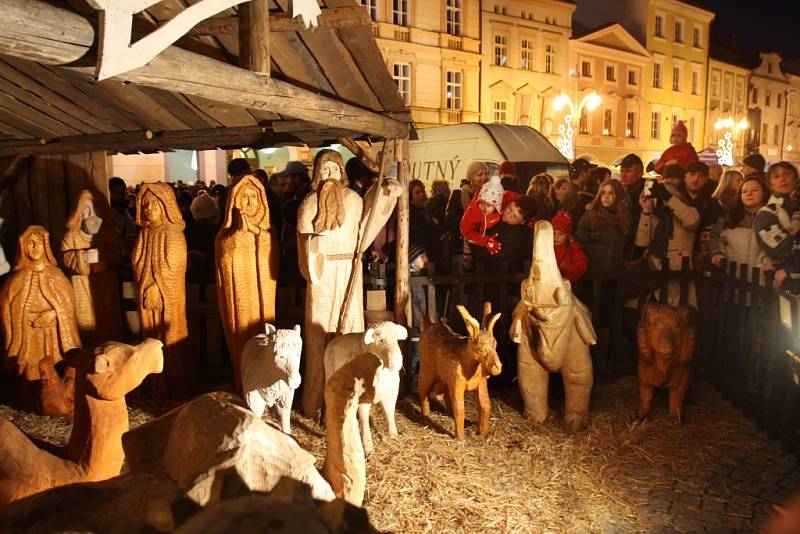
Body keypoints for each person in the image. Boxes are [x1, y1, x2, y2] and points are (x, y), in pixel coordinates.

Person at [296, 149, 402, 418]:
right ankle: (318, 400)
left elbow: (368, 223)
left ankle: (352, 396)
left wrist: (385, 195)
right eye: (324, 171)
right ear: (317, 175)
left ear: (342, 173)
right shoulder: (310, 203)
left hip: (348, 272)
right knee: (320, 332)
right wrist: (313, 246)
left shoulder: (353, 201)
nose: (329, 176)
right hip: (321, 276)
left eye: (334, 170)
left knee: (350, 333)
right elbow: (302, 242)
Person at [132, 183, 194, 394]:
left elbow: (174, 266)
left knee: (170, 332)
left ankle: (173, 379)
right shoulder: (144, 234)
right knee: (150, 333)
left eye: (153, 203)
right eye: (145, 204)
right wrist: (146, 284)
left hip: (168, 295)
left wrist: (157, 287)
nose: (148, 208)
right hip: (147, 293)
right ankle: (155, 381)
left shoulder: (173, 233)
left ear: (165, 205)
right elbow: (137, 261)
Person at [636, 164, 700, 306]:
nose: (669, 182)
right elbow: (642, 242)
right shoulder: (657, 213)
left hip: (677, 273)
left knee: (676, 318)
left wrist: (668, 197)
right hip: (655, 270)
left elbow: (692, 220)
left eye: (674, 178)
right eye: (667, 178)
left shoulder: (686, 209)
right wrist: (646, 212)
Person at [708, 174, 771, 280]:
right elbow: (714, 237)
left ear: (764, 193)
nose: (749, 194)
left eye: (754, 190)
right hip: (734, 277)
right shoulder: (728, 219)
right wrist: (717, 253)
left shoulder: (772, 218)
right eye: (744, 191)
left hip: (763, 278)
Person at [754, 161, 800, 287]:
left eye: (787, 174)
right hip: (776, 280)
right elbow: (779, 248)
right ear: (771, 185)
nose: (782, 179)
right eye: (776, 176)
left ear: (796, 179)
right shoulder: (767, 213)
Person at [575, 180, 630, 273]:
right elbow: (580, 242)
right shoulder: (591, 215)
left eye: (611, 193)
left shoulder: (624, 217)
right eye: (603, 193)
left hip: (614, 271)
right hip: (592, 270)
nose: (606, 196)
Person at [445, 161, 490, 267]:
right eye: (480, 174)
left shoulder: (489, 195)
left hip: (482, 248)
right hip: (463, 248)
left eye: (486, 173)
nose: (484, 177)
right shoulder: (460, 195)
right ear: (471, 178)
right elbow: (452, 221)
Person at [684, 161, 722, 268]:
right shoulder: (676, 198)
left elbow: (714, 230)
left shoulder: (712, 204)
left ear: (706, 179)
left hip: (701, 255)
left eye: (701, 176)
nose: (696, 179)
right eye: (692, 174)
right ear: (685, 176)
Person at [460, 174, 504, 257]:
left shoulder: (498, 214)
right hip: (473, 246)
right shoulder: (472, 212)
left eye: (488, 205)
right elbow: (465, 230)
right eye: (481, 203)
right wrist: (485, 241)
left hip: (490, 249)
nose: (484, 208)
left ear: (496, 207)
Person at [186, 190, 221, 284]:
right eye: (200, 220)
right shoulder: (196, 224)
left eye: (205, 220)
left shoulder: (222, 226)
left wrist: (207, 255)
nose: (202, 222)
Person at [618, 154, 646, 261]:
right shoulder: (626, 192)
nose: (623, 175)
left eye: (628, 171)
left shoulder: (643, 193)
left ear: (639, 173)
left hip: (636, 246)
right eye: (622, 171)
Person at [551, 210, 588, 281]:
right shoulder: (549, 247)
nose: (556, 237)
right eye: (554, 233)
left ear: (567, 235)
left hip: (569, 283)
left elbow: (582, 266)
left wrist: (567, 266)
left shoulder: (573, 247)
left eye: (560, 234)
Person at [108, 176, 136, 256]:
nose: (121, 197)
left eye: (123, 193)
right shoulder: (106, 214)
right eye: (116, 194)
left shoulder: (124, 212)